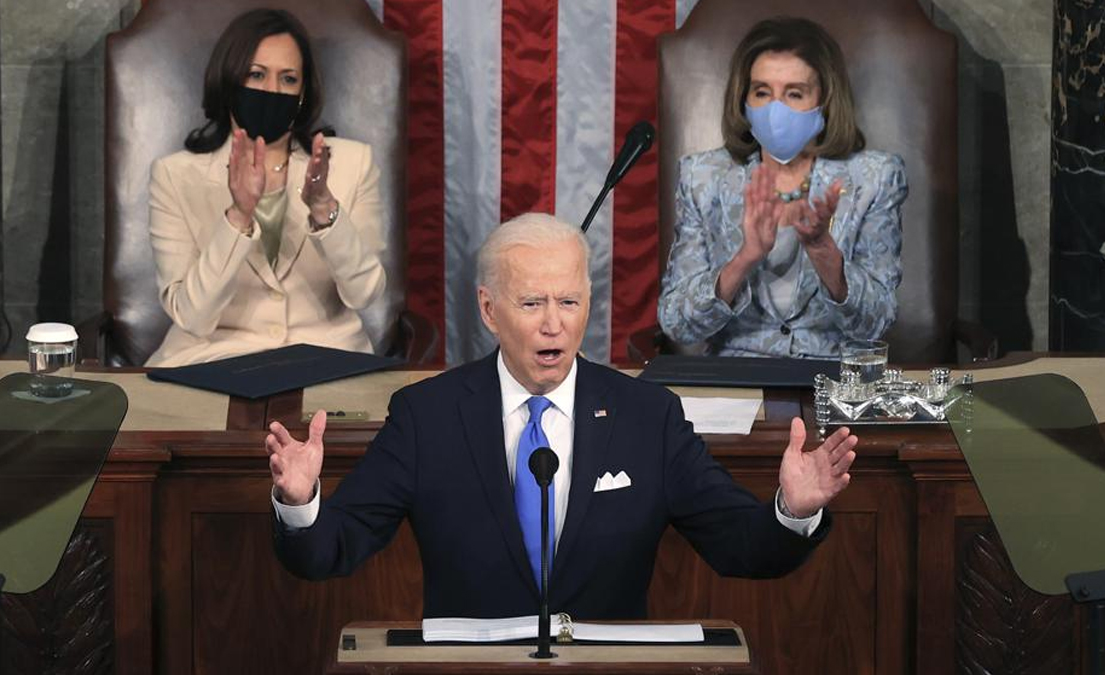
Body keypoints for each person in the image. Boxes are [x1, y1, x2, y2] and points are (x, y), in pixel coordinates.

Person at [264, 213, 858, 619]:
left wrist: (792, 513)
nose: (554, 324)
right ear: (489, 310)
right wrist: (299, 502)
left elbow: (742, 548)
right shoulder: (428, 416)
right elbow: (329, 551)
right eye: (531, 303)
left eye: (569, 301)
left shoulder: (647, 416)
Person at [145, 9, 386, 367]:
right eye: (256, 75)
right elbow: (193, 317)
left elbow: (365, 293)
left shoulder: (353, 163)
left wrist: (324, 209)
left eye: (288, 79)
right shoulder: (174, 175)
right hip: (211, 362)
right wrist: (238, 216)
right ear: (228, 82)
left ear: (303, 93)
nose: (272, 91)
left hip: (325, 361)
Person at [658, 17, 907, 358]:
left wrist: (825, 255)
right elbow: (677, 324)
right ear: (743, 99)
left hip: (832, 381)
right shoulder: (703, 177)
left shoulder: (874, 178)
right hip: (735, 382)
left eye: (794, 93)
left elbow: (877, 323)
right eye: (762, 92)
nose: (776, 109)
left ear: (826, 101)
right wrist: (743, 260)